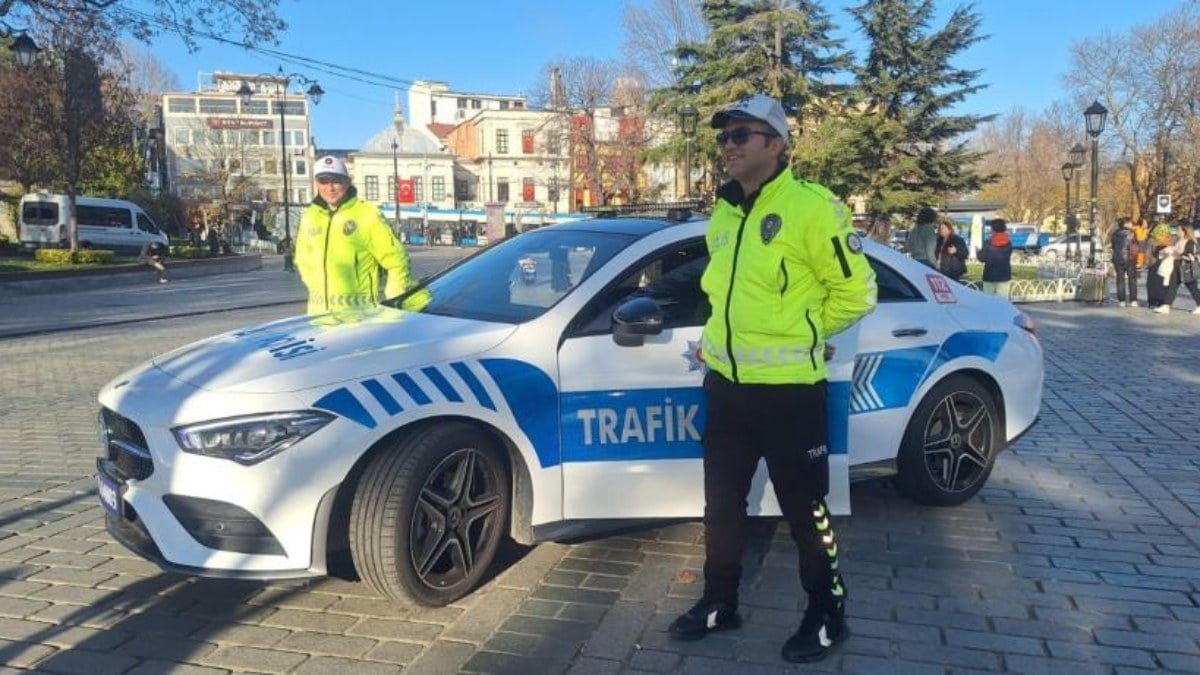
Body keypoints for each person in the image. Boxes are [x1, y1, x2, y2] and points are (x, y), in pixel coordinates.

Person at [667, 93, 876, 664]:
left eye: (741, 135)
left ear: (775, 143)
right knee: (722, 506)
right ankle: (719, 602)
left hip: (789, 394)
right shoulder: (725, 211)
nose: (728, 146)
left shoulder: (813, 207)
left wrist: (805, 332)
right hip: (727, 388)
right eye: (724, 136)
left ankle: (828, 614)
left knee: (807, 510)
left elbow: (856, 291)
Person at [295, 155, 421, 315]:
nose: (330, 188)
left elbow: (397, 260)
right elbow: (302, 259)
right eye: (324, 181)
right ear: (316, 184)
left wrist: (394, 300)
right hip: (318, 316)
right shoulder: (309, 217)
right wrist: (316, 286)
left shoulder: (367, 214)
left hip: (358, 316)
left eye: (336, 181)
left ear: (347, 183)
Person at [1161, 223, 1200, 314]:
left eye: (1179, 230)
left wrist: (1179, 252)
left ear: (1184, 231)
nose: (1177, 232)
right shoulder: (1179, 240)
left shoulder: (1190, 242)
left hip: (1186, 267)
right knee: (1172, 286)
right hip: (1177, 265)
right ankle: (1166, 305)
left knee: (1192, 286)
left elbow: (1190, 256)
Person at [977, 218, 1012, 297]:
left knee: (989, 300)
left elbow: (982, 258)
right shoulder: (1008, 243)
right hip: (1004, 275)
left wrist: (977, 252)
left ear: (993, 229)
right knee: (1003, 301)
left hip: (990, 275)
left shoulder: (988, 242)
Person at [1146, 220, 1175, 312]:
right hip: (1164, 265)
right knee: (1163, 283)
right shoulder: (1170, 239)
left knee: (1152, 283)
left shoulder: (1152, 240)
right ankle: (1162, 301)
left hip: (1155, 264)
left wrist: (1147, 263)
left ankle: (1153, 302)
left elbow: (1148, 253)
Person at [1110, 217, 1139, 307]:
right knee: (1132, 279)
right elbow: (1134, 246)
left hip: (1118, 258)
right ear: (1126, 223)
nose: (1131, 224)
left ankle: (1121, 300)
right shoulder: (1132, 233)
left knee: (1120, 279)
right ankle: (1133, 300)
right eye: (1130, 223)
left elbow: (1114, 246)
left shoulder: (1115, 233)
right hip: (1129, 258)